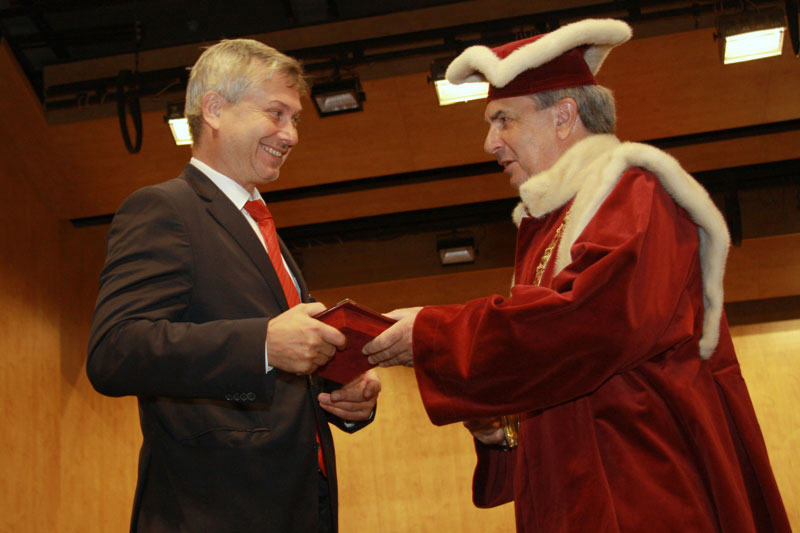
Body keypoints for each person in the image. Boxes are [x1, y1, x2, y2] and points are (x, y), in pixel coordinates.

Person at [363, 18, 790, 533]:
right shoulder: (556, 221)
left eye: (503, 120)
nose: (490, 143)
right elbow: (562, 374)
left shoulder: (634, 194)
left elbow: (592, 327)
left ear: (564, 116)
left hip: (645, 493)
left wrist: (435, 334)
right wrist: (504, 431)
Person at [87, 39, 380, 533]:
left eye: (296, 119)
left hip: (302, 508)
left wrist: (343, 393)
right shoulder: (164, 209)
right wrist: (263, 343)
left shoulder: (264, 231)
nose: (291, 135)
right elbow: (114, 350)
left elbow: (286, 369)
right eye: (276, 113)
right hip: (210, 512)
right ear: (215, 109)